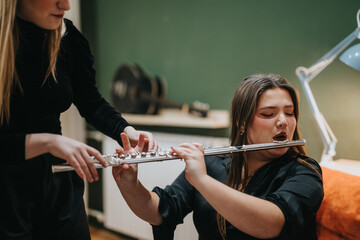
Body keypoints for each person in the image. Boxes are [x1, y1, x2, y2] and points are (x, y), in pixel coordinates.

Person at [0, 0, 157, 239]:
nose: (65, 5)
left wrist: (127, 130)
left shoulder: (67, 36)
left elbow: (90, 101)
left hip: (57, 178)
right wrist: (48, 142)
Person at [112, 73, 324, 240]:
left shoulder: (305, 172)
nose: (283, 122)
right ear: (241, 122)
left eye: (289, 112)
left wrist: (202, 181)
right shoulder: (214, 163)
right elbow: (160, 211)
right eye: (268, 114)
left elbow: (273, 223)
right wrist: (130, 185)